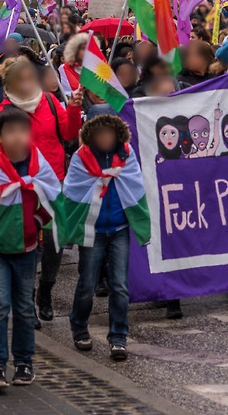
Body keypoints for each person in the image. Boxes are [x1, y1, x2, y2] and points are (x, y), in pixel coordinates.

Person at [0, 106, 60, 392]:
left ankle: (24, 362)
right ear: (0, 136)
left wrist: (36, 219)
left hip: (28, 247)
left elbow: (53, 198)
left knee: (24, 308)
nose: (18, 137)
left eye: (23, 131)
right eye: (11, 131)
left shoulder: (39, 165)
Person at [0, 57, 82, 326]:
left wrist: (74, 109)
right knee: (26, 248)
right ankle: (26, 300)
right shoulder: (2, 113)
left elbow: (69, 133)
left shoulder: (50, 102)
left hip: (53, 184)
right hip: (20, 189)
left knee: (54, 244)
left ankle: (46, 292)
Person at [61, 114, 150, 361]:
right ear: (90, 133)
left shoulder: (127, 154)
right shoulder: (81, 158)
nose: (105, 137)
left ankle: (118, 337)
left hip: (119, 228)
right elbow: (73, 191)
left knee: (120, 285)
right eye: (99, 132)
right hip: (93, 229)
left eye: (109, 132)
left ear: (118, 132)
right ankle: (79, 326)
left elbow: (135, 185)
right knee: (87, 283)